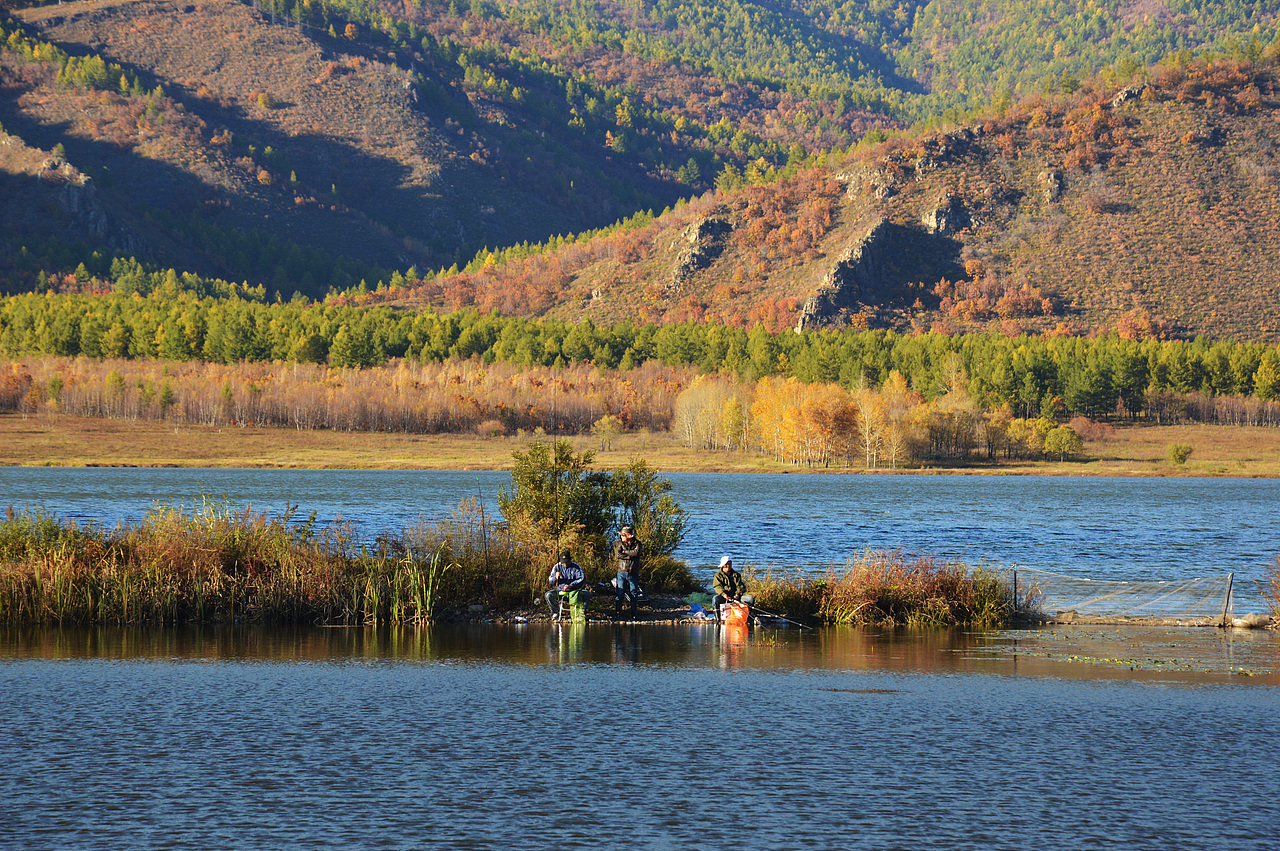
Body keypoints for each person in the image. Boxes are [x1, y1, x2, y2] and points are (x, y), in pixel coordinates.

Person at [545, 550, 587, 620]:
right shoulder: (556, 567)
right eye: (563, 563)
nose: (565, 564)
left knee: (587, 594)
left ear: (570, 560)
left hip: (574, 592)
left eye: (567, 562)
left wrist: (571, 585)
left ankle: (582, 613)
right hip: (560, 592)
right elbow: (550, 580)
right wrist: (556, 578)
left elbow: (581, 579)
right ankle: (555, 612)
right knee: (548, 595)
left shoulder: (576, 567)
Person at [613, 525, 643, 618]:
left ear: (629, 536)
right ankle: (618, 614)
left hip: (633, 572)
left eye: (623, 535)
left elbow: (637, 553)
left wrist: (625, 552)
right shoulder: (619, 543)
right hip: (621, 571)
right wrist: (630, 554)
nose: (621, 537)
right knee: (620, 592)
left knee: (634, 592)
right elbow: (618, 555)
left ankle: (634, 614)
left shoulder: (638, 543)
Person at [711, 555, 754, 623]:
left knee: (750, 599)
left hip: (735, 596)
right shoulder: (717, 576)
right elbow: (717, 586)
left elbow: (740, 586)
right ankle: (717, 619)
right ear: (723, 565)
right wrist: (724, 594)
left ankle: (748, 618)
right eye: (726, 564)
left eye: (730, 564)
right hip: (724, 596)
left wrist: (737, 594)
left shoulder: (736, 575)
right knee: (715, 599)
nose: (728, 566)